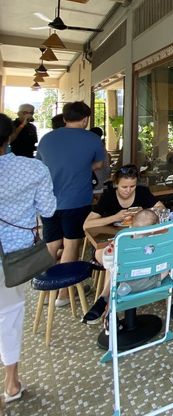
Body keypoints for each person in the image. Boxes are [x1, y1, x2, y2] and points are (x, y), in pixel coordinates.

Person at [0, 113, 56, 404]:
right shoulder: (32, 169)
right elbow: (47, 210)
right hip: (14, 256)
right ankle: (10, 382)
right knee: (8, 316)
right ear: (10, 136)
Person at [36, 101, 104, 306]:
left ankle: (47, 288)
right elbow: (100, 164)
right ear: (85, 119)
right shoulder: (92, 138)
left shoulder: (47, 139)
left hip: (49, 201)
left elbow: (40, 165)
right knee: (71, 243)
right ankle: (64, 294)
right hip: (76, 200)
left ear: (65, 118)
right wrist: (83, 168)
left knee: (52, 243)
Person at [82, 165, 165, 324]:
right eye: (124, 187)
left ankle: (104, 301)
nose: (128, 190)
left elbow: (161, 208)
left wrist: (143, 215)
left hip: (135, 244)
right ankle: (108, 300)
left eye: (132, 186)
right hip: (106, 245)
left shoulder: (141, 192)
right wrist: (115, 217)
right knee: (116, 258)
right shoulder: (108, 197)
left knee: (120, 260)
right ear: (116, 184)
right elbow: (87, 224)